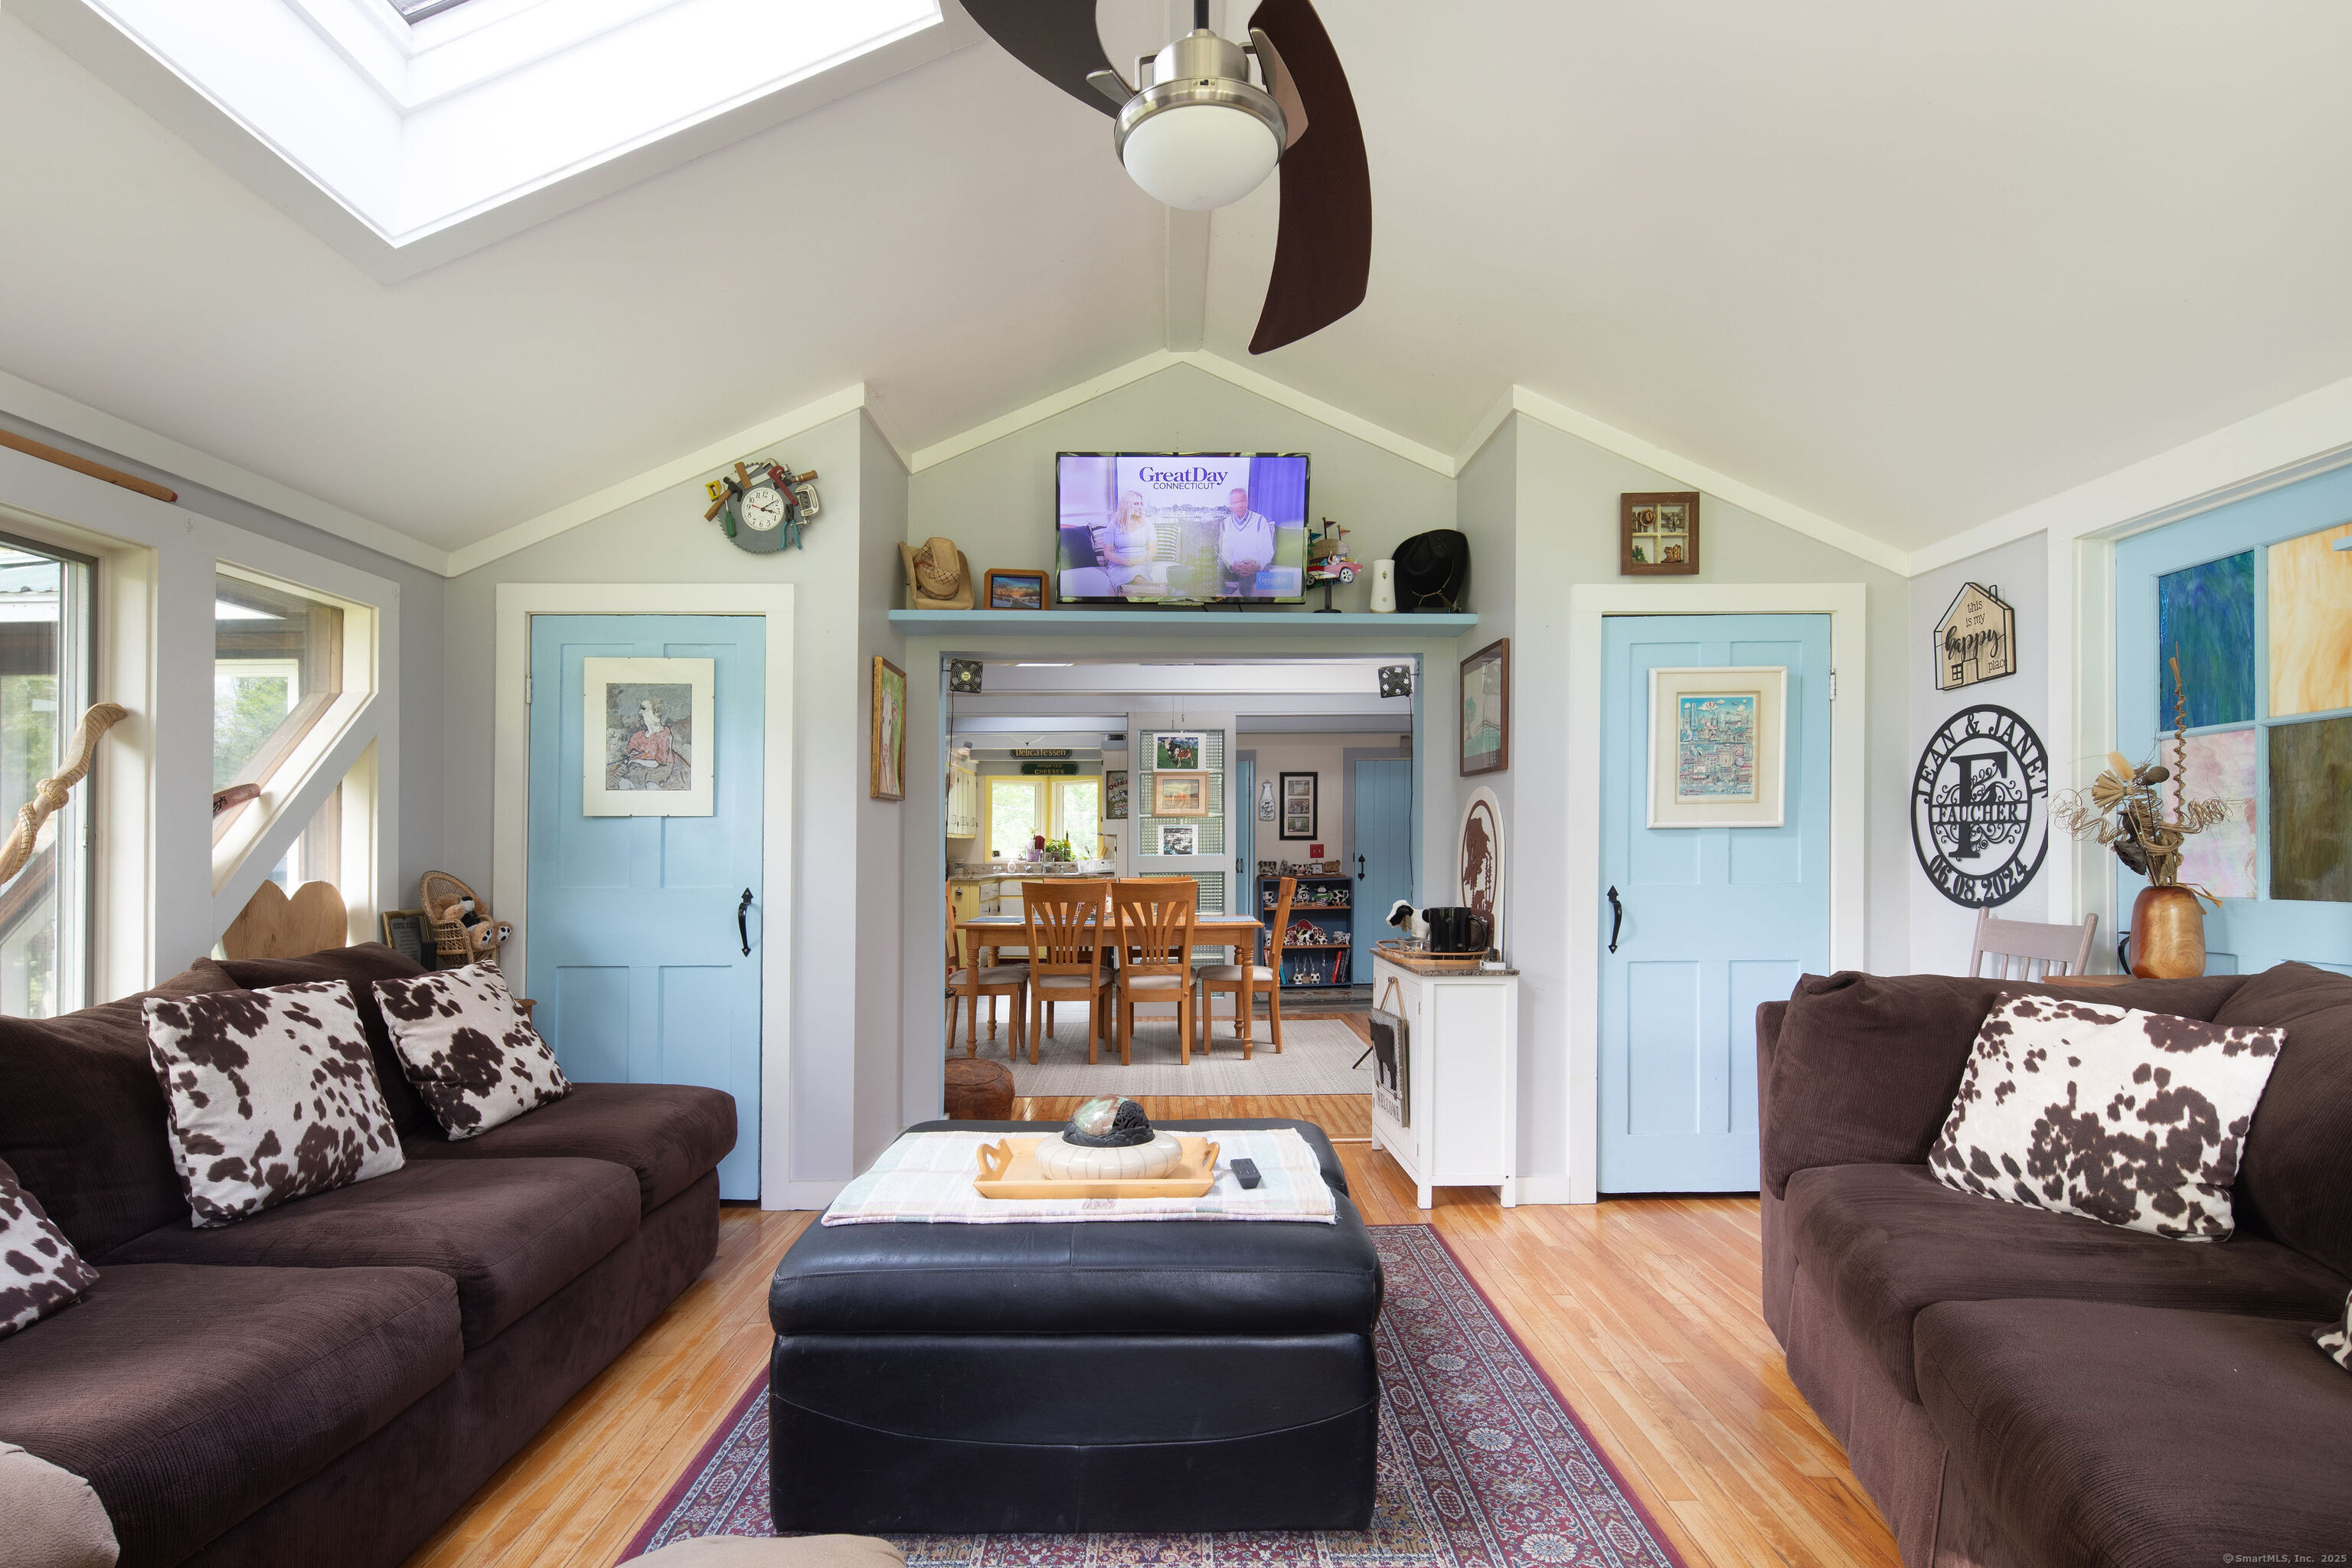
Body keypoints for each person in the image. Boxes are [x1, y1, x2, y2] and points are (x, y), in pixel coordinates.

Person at [1216, 487, 1277, 595]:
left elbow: (1267, 551)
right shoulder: (1225, 523)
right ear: (1231, 505)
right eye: (1235, 502)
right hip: (1235, 566)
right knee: (1219, 566)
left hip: (1257, 565)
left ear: (1247, 502)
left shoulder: (1260, 520)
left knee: (1247, 574)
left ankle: (1246, 603)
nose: (1239, 505)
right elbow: (1225, 551)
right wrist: (1233, 566)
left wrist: (1256, 566)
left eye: (1242, 501)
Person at [1101, 488, 1161, 596]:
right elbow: (1107, 552)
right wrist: (1126, 562)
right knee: (1127, 587)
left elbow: (1153, 550)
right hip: (1118, 565)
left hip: (1142, 563)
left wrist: (1141, 560)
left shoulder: (1147, 523)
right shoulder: (1114, 524)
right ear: (1127, 505)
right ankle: (1155, 592)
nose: (1140, 507)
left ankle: (1152, 593)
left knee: (1137, 576)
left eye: (1141, 504)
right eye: (1136, 504)